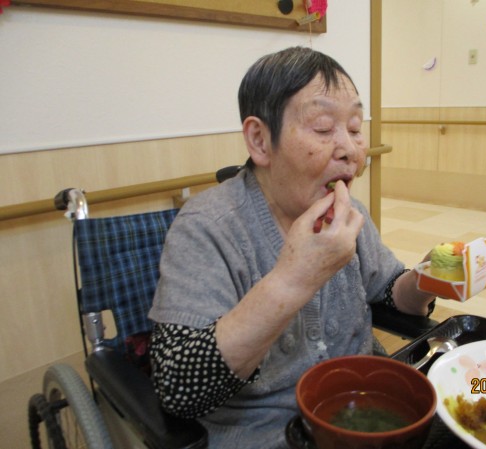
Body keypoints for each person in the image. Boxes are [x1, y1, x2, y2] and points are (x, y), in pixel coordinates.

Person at [148, 46, 436, 449]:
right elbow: (180, 387)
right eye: (323, 128)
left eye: (355, 127)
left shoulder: (349, 213)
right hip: (263, 434)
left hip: (366, 411)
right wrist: (295, 277)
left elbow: (388, 291)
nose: (350, 149)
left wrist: (426, 279)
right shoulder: (206, 227)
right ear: (260, 140)